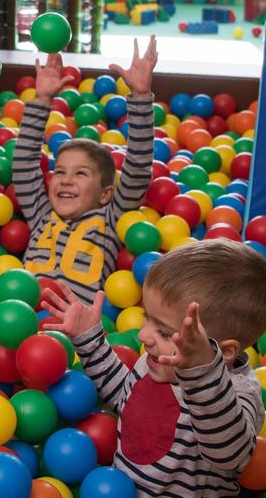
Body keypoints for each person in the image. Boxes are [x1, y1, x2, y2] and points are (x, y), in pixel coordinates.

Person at [42, 238, 266, 498]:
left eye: (164, 331)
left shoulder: (236, 394)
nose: (144, 336)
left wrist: (200, 373)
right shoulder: (156, 361)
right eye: (146, 319)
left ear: (223, 351)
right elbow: (124, 399)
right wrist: (89, 339)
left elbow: (229, 453)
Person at [11, 38, 158, 304]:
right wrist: (42, 98)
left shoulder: (111, 220)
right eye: (60, 172)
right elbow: (24, 165)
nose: (66, 180)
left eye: (80, 174)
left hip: (76, 332)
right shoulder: (41, 215)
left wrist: (139, 97)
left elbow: (137, 169)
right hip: (23, 322)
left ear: (105, 194)